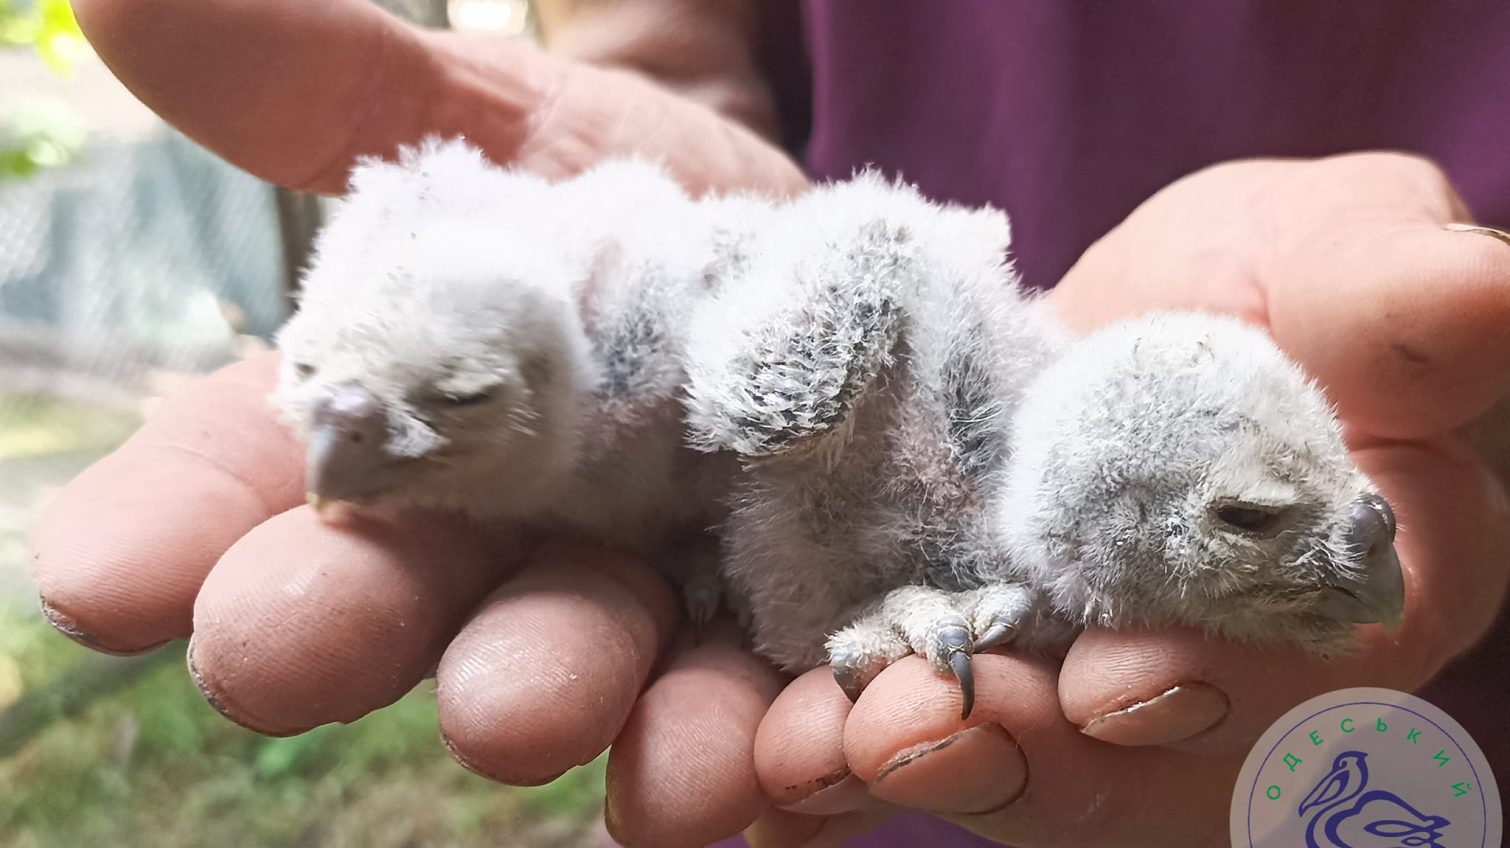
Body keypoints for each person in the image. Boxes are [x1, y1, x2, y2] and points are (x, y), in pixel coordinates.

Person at [31, 1, 1509, 845]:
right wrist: (653, 92)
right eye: (1263, 514)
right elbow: (799, 258)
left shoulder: (967, 467)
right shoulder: (823, 359)